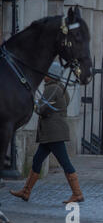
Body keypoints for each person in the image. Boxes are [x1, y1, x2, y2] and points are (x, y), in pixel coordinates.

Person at [10, 62, 84, 203]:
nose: (44, 75)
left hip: (53, 134)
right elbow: (62, 104)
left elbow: (42, 109)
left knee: (65, 162)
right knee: (37, 160)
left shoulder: (52, 89)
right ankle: (26, 192)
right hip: (50, 134)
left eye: (46, 73)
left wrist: (33, 102)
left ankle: (77, 193)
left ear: (51, 75)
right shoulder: (59, 88)